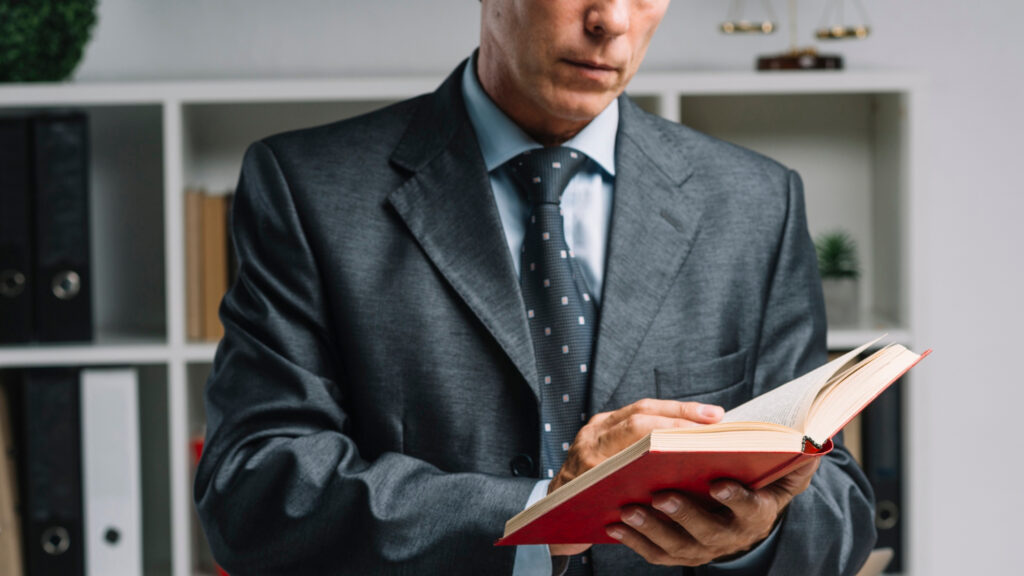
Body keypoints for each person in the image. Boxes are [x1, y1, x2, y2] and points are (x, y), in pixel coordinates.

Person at [194, 0, 877, 574]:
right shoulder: (308, 187)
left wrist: (751, 534)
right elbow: (254, 490)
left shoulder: (757, 202)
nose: (610, 19)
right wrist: (538, 510)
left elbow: (838, 505)